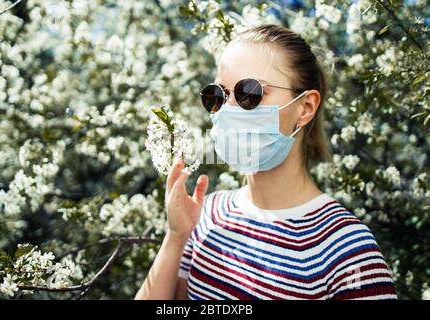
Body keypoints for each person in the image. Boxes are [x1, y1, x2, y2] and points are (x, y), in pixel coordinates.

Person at [135, 24, 397, 300]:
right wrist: (177, 236)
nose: (229, 109)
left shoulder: (348, 248)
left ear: (305, 107)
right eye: (218, 95)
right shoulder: (208, 213)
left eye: (250, 93)